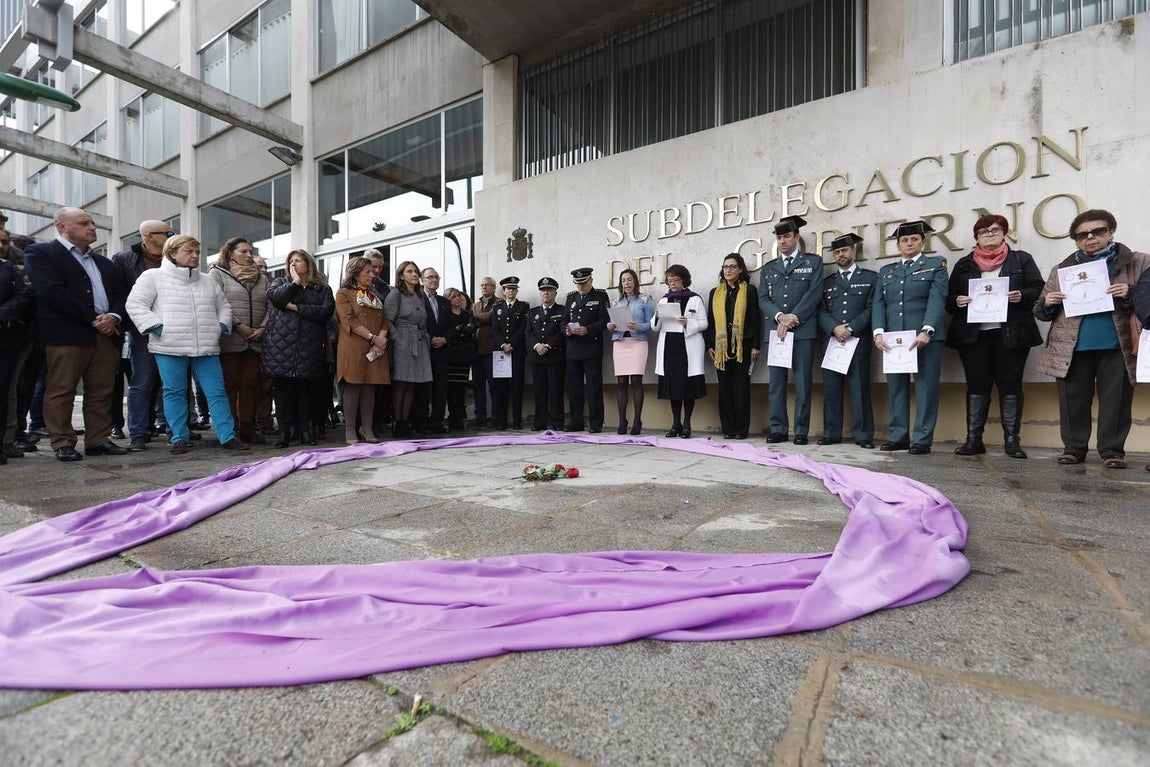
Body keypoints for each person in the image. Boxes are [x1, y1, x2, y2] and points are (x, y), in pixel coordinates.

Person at [1035, 209, 1149, 468]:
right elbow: (1040, 310)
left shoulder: (1138, 262)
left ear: (1110, 232)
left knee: (1116, 401)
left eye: (1097, 231)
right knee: (1072, 401)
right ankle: (1073, 448)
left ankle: (1112, 451)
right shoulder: (1062, 269)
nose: (1090, 237)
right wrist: (1048, 302)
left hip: (1117, 344)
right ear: (1076, 240)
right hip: (1072, 346)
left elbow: (1148, 296)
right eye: (1082, 235)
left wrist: (1130, 292)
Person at [124, 235, 249, 455]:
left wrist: (219, 326)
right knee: (174, 392)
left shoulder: (207, 280)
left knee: (217, 392)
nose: (195, 256)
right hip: (169, 347)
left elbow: (224, 307)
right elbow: (135, 304)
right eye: (189, 251)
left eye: (197, 252)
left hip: (206, 346)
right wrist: (157, 328)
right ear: (172, 253)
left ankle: (228, 436)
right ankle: (179, 438)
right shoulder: (153, 277)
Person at [23, 207, 130, 462]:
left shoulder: (104, 262)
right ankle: (63, 442)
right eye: (84, 223)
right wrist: (94, 318)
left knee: (102, 391)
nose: (92, 227)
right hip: (66, 335)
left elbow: (121, 295)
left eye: (92, 222)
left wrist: (114, 316)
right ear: (62, 227)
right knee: (61, 390)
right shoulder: (41, 253)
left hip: (106, 335)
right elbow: (51, 292)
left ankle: (98, 440)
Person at [946, 214, 1045, 458]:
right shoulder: (964, 264)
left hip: (1012, 333)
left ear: (1004, 233)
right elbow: (948, 300)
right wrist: (957, 301)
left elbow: (1038, 288)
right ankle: (973, 440)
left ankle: (1012, 441)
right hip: (973, 336)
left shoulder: (1021, 259)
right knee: (976, 385)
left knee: (1010, 386)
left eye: (995, 230)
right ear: (976, 237)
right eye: (984, 231)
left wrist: (1022, 295)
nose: (989, 235)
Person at [872, 220, 949, 455]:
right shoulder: (887, 271)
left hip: (924, 338)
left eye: (914, 239)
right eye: (904, 240)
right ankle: (898, 437)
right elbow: (879, 304)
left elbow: (937, 298)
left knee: (926, 388)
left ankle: (922, 439)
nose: (909, 243)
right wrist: (878, 333)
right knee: (896, 388)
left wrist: (927, 330)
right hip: (894, 340)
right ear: (898, 245)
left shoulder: (935, 265)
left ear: (923, 242)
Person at [758, 215, 823, 445]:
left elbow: (814, 293)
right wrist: (780, 317)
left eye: (787, 236)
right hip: (777, 332)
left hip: (803, 331)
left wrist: (793, 317)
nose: (783, 241)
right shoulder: (769, 268)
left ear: (796, 237)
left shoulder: (813, 262)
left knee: (803, 382)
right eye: (779, 238)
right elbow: (763, 298)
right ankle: (778, 428)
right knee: (776, 383)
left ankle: (801, 430)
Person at [261, 249, 335, 448]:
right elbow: (276, 299)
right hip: (281, 347)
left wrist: (296, 308)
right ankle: (284, 433)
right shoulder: (280, 283)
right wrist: (294, 283)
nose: (293, 264)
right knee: (282, 393)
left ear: (308, 263)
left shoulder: (321, 288)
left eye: (298, 261)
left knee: (305, 392)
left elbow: (325, 311)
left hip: (308, 347)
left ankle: (305, 432)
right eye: (290, 261)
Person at [112, 220, 174, 450]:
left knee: (173, 382)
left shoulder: (175, 256)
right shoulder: (124, 259)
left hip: (174, 329)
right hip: (142, 330)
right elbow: (120, 294)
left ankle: (175, 429)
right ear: (148, 236)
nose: (172, 236)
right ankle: (138, 432)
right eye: (167, 233)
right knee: (142, 381)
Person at [817, 234, 877, 449]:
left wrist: (851, 328)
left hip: (858, 341)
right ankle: (831, 433)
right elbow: (820, 310)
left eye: (844, 250)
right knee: (831, 389)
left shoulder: (871, 278)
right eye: (836, 252)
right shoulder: (827, 283)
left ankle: (863, 434)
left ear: (854, 251)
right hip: (833, 342)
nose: (840, 255)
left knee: (860, 389)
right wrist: (835, 328)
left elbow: (872, 308)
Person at [210, 237, 269, 444]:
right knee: (230, 385)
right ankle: (230, 429)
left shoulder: (262, 278)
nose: (248, 255)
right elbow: (217, 303)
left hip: (256, 340)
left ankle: (247, 427)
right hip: (230, 339)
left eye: (251, 251)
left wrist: (262, 327)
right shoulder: (217, 273)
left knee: (250, 385)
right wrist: (238, 325)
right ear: (230, 253)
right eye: (243, 251)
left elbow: (270, 306)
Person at [335, 256, 391, 445]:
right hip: (353, 347)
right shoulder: (343, 294)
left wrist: (380, 339)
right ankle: (350, 429)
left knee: (370, 387)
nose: (372, 275)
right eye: (367, 271)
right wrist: (373, 338)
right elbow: (349, 320)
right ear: (355, 273)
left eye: (372, 271)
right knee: (353, 386)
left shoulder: (374, 296)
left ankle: (367, 428)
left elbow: (384, 321)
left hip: (375, 347)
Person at [705, 254, 761, 440]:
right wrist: (709, 345)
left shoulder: (749, 290)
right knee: (724, 388)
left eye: (732, 266)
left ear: (740, 269)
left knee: (740, 387)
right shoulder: (715, 293)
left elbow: (755, 319)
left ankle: (741, 429)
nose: (728, 270)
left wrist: (756, 345)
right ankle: (728, 428)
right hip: (721, 346)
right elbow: (711, 321)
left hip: (743, 345)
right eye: (725, 267)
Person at [652, 264, 708, 438]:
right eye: (669, 280)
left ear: (683, 280)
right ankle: (676, 423)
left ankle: (687, 424)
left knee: (687, 387)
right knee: (672, 387)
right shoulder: (664, 300)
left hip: (687, 347)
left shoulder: (695, 299)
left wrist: (688, 323)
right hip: (669, 347)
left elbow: (704, 323)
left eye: (675, 280)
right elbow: (655, 327)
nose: (672, 283)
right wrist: (657, 316)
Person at [383, 261, 432, 438]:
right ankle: (398, 422)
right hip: (402, 341)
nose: (414, 274)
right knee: (401, 383)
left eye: (416, 271)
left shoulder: (419, 296)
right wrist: (397, 338)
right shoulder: (395, 294)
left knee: (412, 383)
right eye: (409, 271)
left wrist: (426, 339)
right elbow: (387, 320)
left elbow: (423, 321)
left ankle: (405, 422)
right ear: (401, 276)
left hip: (419, 342)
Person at [562, 267, 610, 432]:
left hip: (591, 348)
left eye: (583, 283)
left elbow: (605, 320)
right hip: (573, 348)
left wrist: (588, 329)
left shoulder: (600, 296)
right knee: (574, 388)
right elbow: (563, 320)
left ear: (591, 281)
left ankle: (596, 422)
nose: (581, 287)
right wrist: (566, 330)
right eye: (578, 284)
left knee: (593, 387)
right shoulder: (571, 298)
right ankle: (576, 421)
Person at [606, 268, 653, 435]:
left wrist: (638, 326)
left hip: (638, 342)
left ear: (635, 282)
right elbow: (611, 323)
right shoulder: (616, 302)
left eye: (630, 279)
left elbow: (652, 324)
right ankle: (622, 421)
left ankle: (637, 420)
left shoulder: (644, 300)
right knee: (621, 382)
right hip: (620, 343)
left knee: (636, 381)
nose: (626, 283)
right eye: (623, 280)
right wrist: (610, 326)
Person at [1, 228, 33, 461]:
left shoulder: (10, 268)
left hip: (8, 336)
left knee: (7, 390)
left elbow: (23, 296)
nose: (2, 246)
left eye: (5, 242)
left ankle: (6, 441)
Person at [525, 277, 566, 431]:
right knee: (539, 391)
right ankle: (539, 422)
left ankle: (557, 422)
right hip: (537, 357)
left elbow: (562, 333)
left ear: (555, 292)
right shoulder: (532, 312)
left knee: (556, 391)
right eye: (543, 290)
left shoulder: (562, 310)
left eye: (549, 290)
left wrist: (548, 345)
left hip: (554, 357)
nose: (546, 293)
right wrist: (537, 346)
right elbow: (528, 333)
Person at [490, 276, 530, 430]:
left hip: (517, 351)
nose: (511, 291)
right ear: (504, 291)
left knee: (517, 387)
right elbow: (495, 329)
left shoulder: (523, 307)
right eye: (508, 289)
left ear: (517, 291)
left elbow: (523, 328)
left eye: (514, 289)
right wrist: (503, 344)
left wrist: (511, 344)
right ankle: (502, 421)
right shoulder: (497, 308)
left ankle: (517, 421)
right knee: (501, 388)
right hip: (501, 353)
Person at [417, 266, 453, 434]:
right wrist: (430, 338)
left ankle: (437, 421)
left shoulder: (444, 302)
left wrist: (444, 339)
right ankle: (421, 422)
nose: (434, 280)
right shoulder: (417, 299)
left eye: (436, 277)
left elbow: (451, 325)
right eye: (430, 277)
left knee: (440, 388)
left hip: (441, 351)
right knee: (423, 389)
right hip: (424, 349)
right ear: (422, 280)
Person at [443, 288, 477, 431]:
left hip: (464, 355)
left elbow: (471, 328)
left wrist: (459, 329)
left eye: (458, 296)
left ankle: (459, 417)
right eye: (453, 297)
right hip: (450, 355)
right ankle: (452, 417)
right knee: (450, 388)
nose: (457, 299)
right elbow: (448, 332)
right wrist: (458, 329)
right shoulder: (446, 315)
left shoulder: (466, 314)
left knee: (461, 388)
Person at [469, 276, 498, 427]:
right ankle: (480, 415)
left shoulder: (499, 302)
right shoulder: (476, 304)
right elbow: (472, 324)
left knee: (493, 385)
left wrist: (474, 317)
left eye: (487, 285)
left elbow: (490, 317)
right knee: (478, 385)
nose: (484, 287)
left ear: (494, 287)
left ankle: (495, 416)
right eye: (482, 285)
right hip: (476, 351)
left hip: (491, 350)